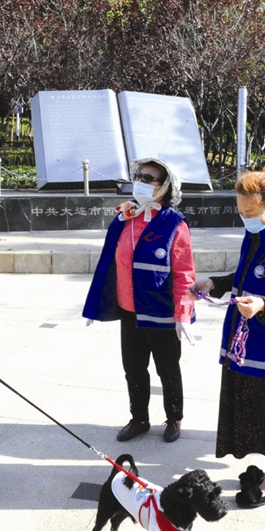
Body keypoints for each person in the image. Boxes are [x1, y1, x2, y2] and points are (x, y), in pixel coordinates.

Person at [191, 164, 265, 509]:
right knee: (249, 408)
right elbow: (245, 273)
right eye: (241, 211)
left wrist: (262, 303)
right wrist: (216, 282)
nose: (245, 218)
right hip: (244, 339)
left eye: (250, 212)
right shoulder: (257, 233)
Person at [83, 158, 196, 443]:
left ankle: (173, 417)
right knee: (133, 368)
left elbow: (184, 273)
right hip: (129, 309)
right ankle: (139, 418)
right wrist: (97, 302)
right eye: (140, 176)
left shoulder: (174, 225)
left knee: (167, 368)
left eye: (149, 178)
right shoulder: (125, 218)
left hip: (161, 313)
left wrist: (183, 314)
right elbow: (108, 262)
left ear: (166, 187)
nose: (141, 182)